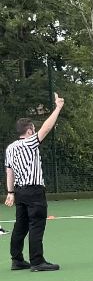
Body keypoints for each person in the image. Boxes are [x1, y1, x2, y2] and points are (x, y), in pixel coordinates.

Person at [6, 93, 66, 271]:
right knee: (36, 225)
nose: (35, 130)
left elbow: (9, 171)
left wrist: (10, 192)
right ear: (29, 131)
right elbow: (46, 129)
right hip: (34, 192)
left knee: (20, 226)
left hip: (19, 191)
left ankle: (17, 259)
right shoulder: (29, 143)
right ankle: (37, 262)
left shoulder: (10, 148)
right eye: (33, 128)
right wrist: (58, 107)